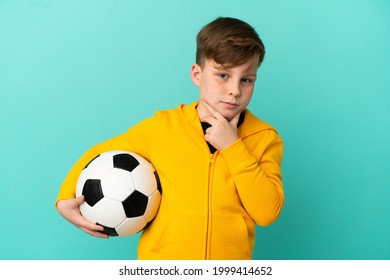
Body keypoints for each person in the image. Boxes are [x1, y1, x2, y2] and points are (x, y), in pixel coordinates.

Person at [55, 17, 284, 260]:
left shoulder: (264, 138)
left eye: (246, 79)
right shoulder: (163, 127)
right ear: (197, 74)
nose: (235, 90)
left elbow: (267, 212)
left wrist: (233, 147)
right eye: (223, 75)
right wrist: (64, 199)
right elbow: (97, 153)